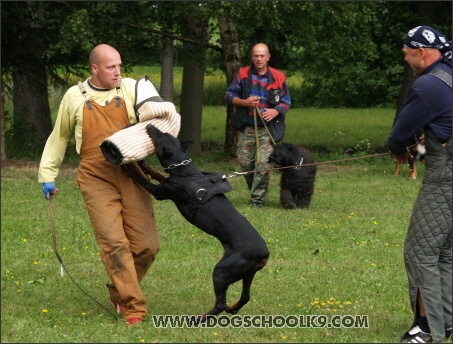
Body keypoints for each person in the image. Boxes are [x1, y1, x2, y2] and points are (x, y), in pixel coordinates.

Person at [38, 44, 161, 326]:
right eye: (110, 67)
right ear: (94, 68)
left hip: (132, 172)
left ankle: (118, 291)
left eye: (119, 65)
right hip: (96, 176)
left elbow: (157, 116)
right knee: (114, 243)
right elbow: (60, 136)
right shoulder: (74, 96)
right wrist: (47, 175)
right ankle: (134, 308)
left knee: (147, 247)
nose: (118, 72)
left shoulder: (130, 88)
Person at [386, 26, 452, 343]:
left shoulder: (428, 84)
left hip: (446, 178)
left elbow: (398, 136)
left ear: (421, 52)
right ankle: (446, 321)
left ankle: (426, 329)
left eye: (406, 52)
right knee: (445, 252)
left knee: (420, 252)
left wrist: (401, 150)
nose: (405, 57)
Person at [225, 43, 291, 207]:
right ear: (252, 57)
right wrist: (244, 102)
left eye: (262, 56)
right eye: (256, 56)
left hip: (268, 129)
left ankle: (257, 200)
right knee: (245, 162)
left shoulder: (278, 77)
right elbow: (229, 95)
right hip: (246, 126)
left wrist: (276, 111)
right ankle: (256, 188)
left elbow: (287, 101)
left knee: (263, 164)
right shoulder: (242, 74)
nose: (259, 59)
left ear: (268, 57)